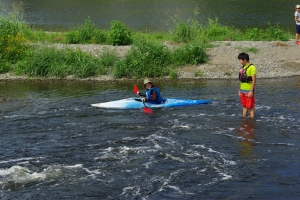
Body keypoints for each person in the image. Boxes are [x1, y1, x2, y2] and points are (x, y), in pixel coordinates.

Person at [238, 52, 256, 119]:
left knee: (250, 106)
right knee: (244, 105)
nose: (240, 61)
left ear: (245, 59)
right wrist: (240, 90)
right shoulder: (243, 67)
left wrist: (251, 91)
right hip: (242, 90)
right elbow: (242, 80)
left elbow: (254, 80)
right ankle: (244, 118)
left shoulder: (252, 67)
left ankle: (252, 119)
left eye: (240, 60)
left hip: (248, 90)